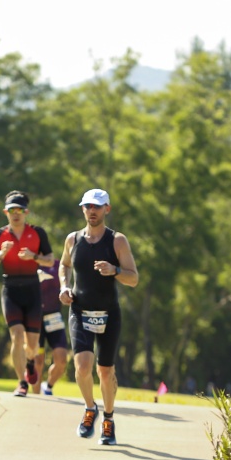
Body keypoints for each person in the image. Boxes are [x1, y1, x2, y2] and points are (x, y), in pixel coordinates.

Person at [59, 188, 139, 445]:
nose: (92, 211)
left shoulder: (117, 241)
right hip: (80, 310)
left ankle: (108, 418)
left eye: (97, 206)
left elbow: (133, 278)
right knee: (82, 367)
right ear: (82, 209)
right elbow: (64, 265)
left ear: (107, 209)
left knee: (105, 371)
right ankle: (90, 408)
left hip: (109, 314)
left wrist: (114, 270)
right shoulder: (72, 239)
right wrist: (64, 287)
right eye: (87, 206)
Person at [0, 191, 54, 396]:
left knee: (32, 344)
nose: (16, 214)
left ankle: (30, 362)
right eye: (12, 210)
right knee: (16, 336)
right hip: (11, 289)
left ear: (26, 212)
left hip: (33, 289)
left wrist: (34, 256)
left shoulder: (38, 233)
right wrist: (1, 254)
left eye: (20, 210)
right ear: (6, 212)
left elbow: (50, 260)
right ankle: (21, 382)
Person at [33, 258, 69, 395]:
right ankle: (36, 397)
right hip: (35, 318)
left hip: (54, 317)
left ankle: (47, 386)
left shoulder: (58, 265)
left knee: (61, 360)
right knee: (38, 361)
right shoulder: (31, 264)